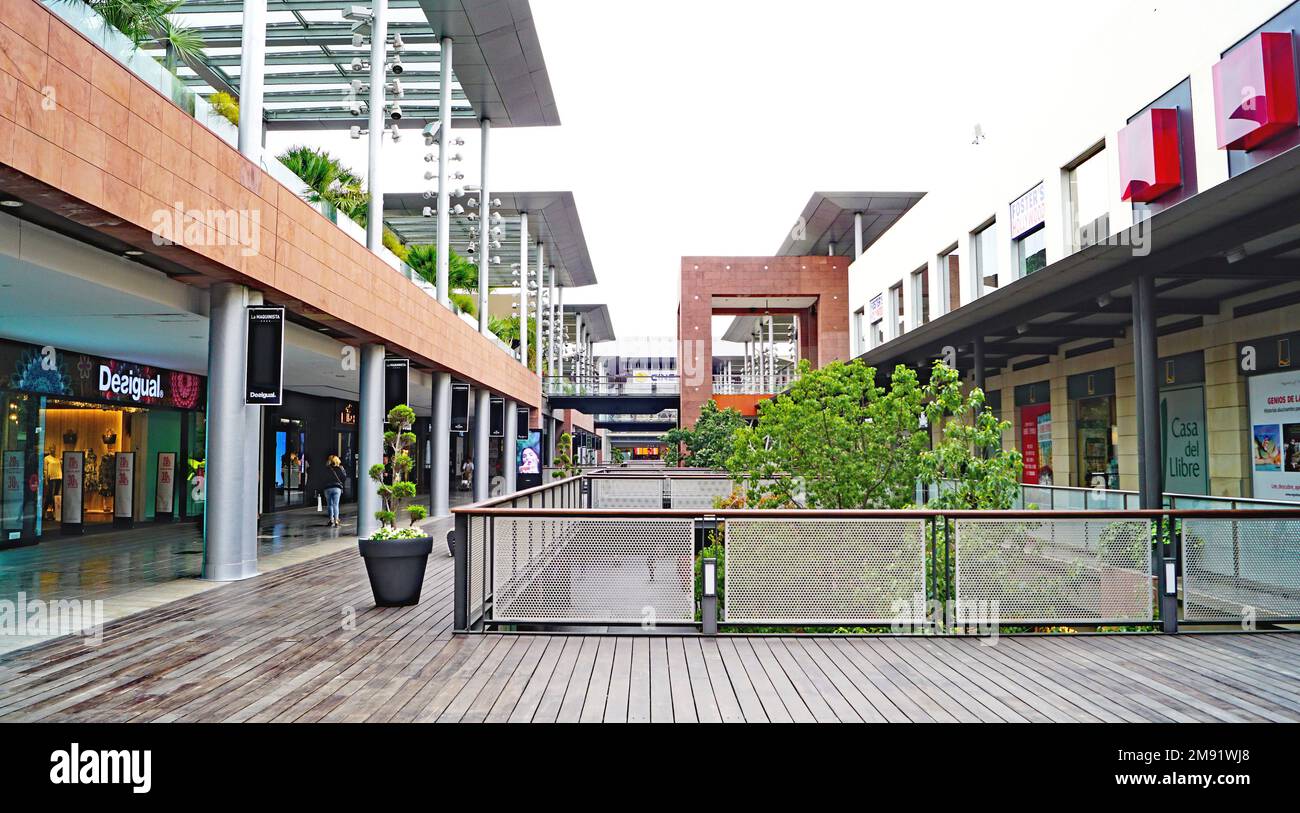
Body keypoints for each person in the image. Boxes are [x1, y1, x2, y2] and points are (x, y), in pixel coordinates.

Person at [324, 454, 346, 527]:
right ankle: (336, 520)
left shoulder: (326, 469)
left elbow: (322, 478)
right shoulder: (340, 468)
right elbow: (343, 478)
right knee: (336, 505)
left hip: (327, 488)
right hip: (337, 488)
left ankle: (331, 520)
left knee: (329, 505)